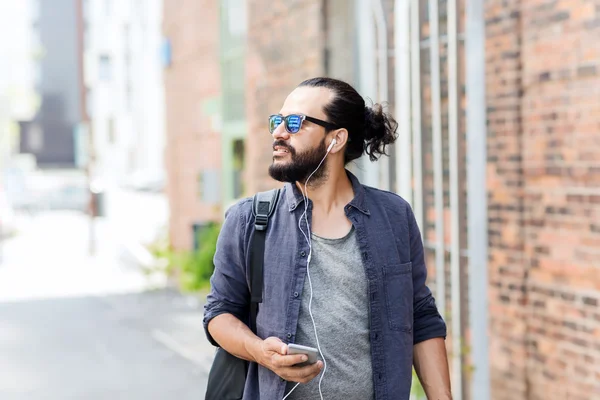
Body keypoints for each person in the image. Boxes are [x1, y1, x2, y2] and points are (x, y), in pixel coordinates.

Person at [204, 77, 451, 400]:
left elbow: (421, 317)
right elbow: (219, 313)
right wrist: (260, 351)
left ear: (336, 140)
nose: (279, 133)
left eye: (295, 123)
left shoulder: (393, 216)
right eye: (277, 122)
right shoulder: (248, 220)